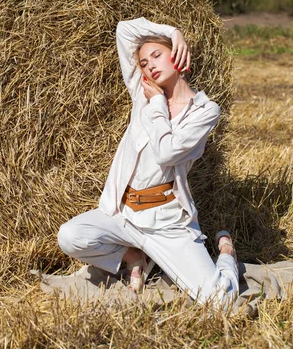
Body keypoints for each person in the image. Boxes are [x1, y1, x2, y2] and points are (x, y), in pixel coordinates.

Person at [57, 17, 239, 308]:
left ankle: (227, 251)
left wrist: (157, 105)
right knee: (70, 236)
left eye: (157, 55)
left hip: (166, 222)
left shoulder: (204, 111)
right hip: (124, 215)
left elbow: (166, 153)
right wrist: (172, 31)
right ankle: (134, 257)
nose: (149, 65)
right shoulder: (140, 94)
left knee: (220, 301)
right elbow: (124, 30)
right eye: (142, 63)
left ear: (177, 55)